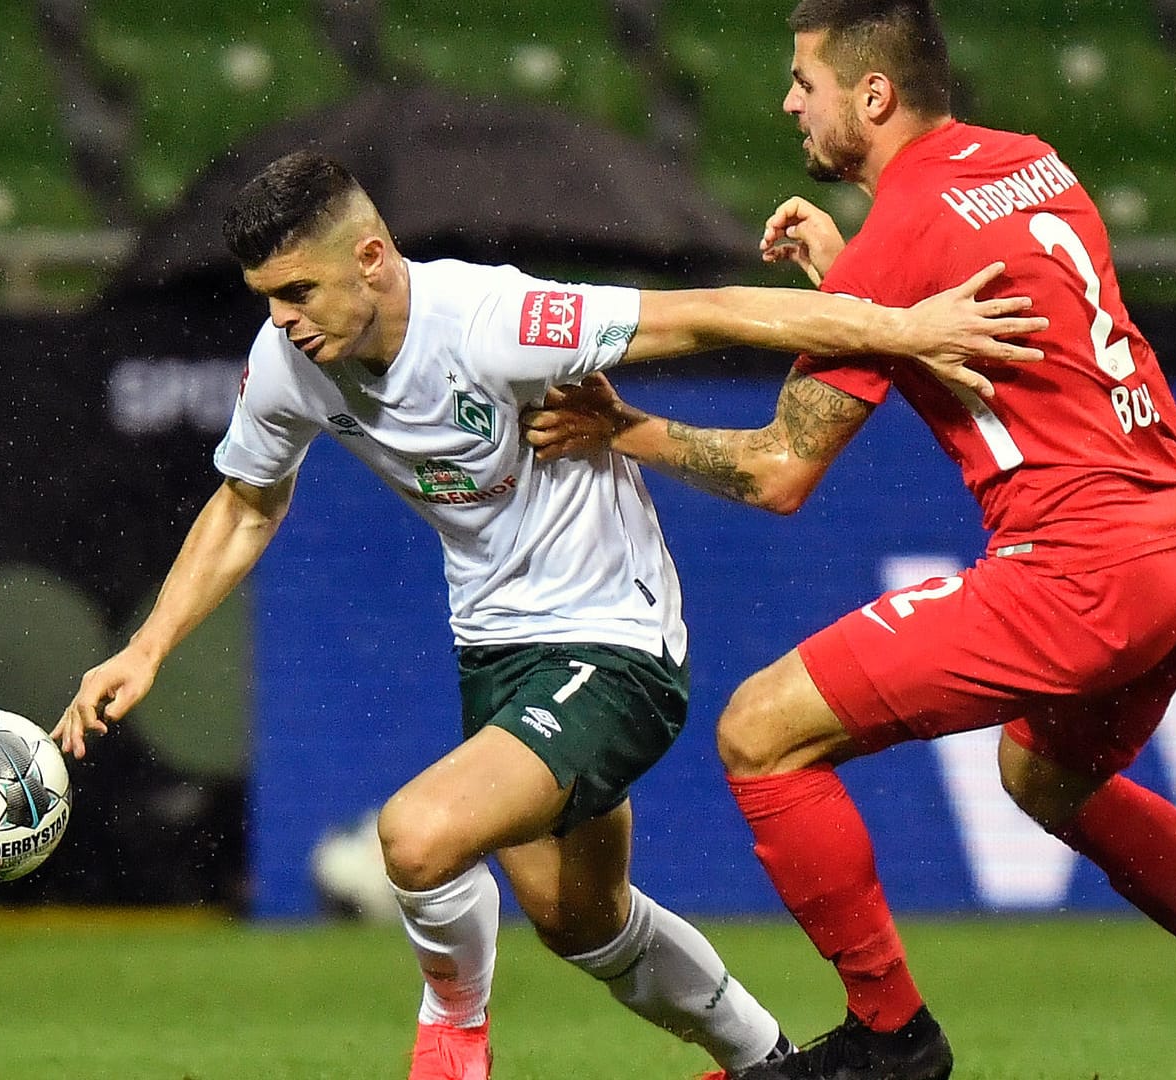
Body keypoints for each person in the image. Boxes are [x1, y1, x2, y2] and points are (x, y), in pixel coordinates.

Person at [520, 2, 1176, 1079]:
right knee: (1042, 777)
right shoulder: (1033, 163)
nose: (791, 101)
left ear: (872, 95)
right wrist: (851, 281)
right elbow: (966, 313)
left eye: (806, 80)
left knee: (759, 732)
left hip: (1082, 567)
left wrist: (625, 426)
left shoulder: (908, 233)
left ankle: (892, 1035)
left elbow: (780, 471)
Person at [51, 149, 1045, 1080]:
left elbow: (714, 315)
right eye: (268, 301)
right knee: (586, 926)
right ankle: (769, 1063)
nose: (285, 322)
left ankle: (453, 1031)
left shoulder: (496, 318)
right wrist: (146, 649)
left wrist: (904, 328)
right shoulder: (288, 365)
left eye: (298, 293)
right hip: (497, 653)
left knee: (418, 836)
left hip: (614, 647)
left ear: (370, 258)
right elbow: (245, 503)